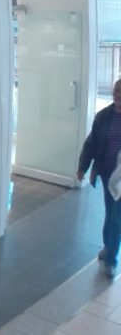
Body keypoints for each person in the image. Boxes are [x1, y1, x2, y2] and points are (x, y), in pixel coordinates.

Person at [78, 79, 121, 278]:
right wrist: (83, 167)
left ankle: (111, 259)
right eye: (117, 91)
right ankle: (108, 246)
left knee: (116, 217)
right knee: (110, 211)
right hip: (107, 174)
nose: (119, 95)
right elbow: (92, 143)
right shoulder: (103, 117)